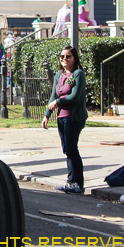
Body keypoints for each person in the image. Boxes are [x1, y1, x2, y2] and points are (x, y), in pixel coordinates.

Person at [43, 45, 87, 194]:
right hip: (61, 117)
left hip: (73, 117)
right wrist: (46, 114)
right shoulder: (59, 75)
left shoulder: (78, 74)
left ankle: (78, 183)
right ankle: (70, 181)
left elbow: (75, 96)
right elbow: (53, 96)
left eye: (68, 56)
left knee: (71, 148)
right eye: (62, 57)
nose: (65, 59)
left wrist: (57, 103)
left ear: (74, 58)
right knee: (67, 149)